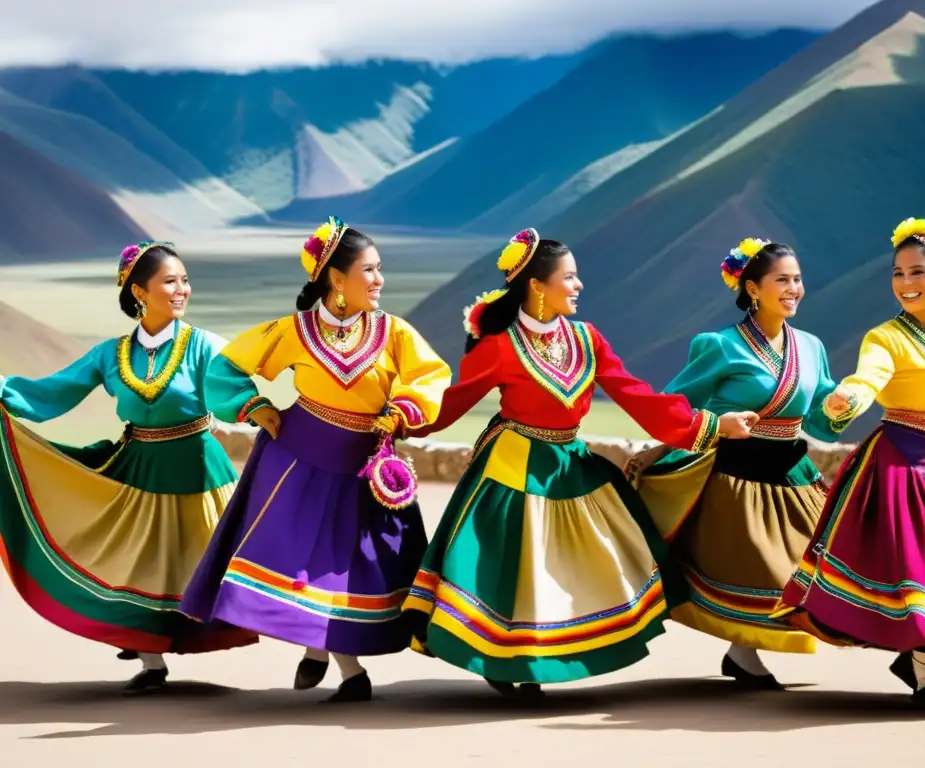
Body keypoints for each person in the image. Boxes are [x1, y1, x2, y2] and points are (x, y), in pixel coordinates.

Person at [399, 228, 760, 699]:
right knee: (517, 571)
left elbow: (638, 396)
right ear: (537, 285)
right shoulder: (500, 345)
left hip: (570, 463)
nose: (578, 285)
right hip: (513, 466)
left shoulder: (587, 339)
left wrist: (710, 425)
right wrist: (400, 419)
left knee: (571, 569)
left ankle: (549, 656)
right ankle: (510, 661)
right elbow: (451, 404)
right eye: (569, 277)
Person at [179, 218, 451, 703]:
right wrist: (254, 405)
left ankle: (322, 652)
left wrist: (403, 408)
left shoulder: (395, 333)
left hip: (364, 468)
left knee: (355, 568)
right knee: (299, 562)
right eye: (369, 270)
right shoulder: (293, 332)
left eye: (380, 269)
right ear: (336, 279)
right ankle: (349, 671)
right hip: (297, 461)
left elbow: (428, 376)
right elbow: (225, 368)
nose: (379, 280)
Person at [771, 217, 925, 714]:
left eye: (917, 273)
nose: (905, 283)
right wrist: (848, 398)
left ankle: (921, 663)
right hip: (902, 470)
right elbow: (869, 379)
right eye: (898, 273)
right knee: (924, 578)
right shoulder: (886, 337)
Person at [0, 241, 258, 694]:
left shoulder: (204, 346)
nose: (182, 290)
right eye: (169, 282)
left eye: (184, 280)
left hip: (200, 470)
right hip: (139, 470)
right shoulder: (111, 354)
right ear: (139, 291)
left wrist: (257, 410)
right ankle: (150, 657)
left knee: (219, 565)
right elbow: (52, 393)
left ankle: (317, 646)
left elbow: (231, 389)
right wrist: (5, 393)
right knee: (138, 563)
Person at [624, 238, 843, 689]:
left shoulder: (811, 347)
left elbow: (820, 420)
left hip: (790, 471)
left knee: (812, 565)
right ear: (753, 288)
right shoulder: (720, 346)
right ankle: (745, 654)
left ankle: (743, 654)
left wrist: (840, 406)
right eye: (782, 280)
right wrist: (716, 423)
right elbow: (673, 406)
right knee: (761, 567)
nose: (794, 288)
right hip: (733, 475)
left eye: (797, 279)